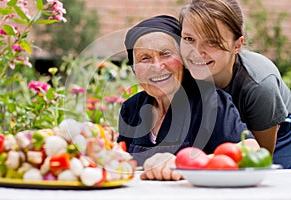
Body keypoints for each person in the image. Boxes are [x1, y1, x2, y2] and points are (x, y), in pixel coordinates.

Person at [117, 15, 259, 180]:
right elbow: (121, 159)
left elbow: (251, 148)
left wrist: (184, 162)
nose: (157, 66)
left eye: (166, 54)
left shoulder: (210, 101)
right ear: (134, 68)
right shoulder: (131, 108)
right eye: (145, 58)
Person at [179, 0, 291, 168]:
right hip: (226, 130)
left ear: (237, 45)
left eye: (212, 42)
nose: (196, 51)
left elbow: (261, 155)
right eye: (189, 38)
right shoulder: (181, 71)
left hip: (278, 132)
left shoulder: (259, 84)